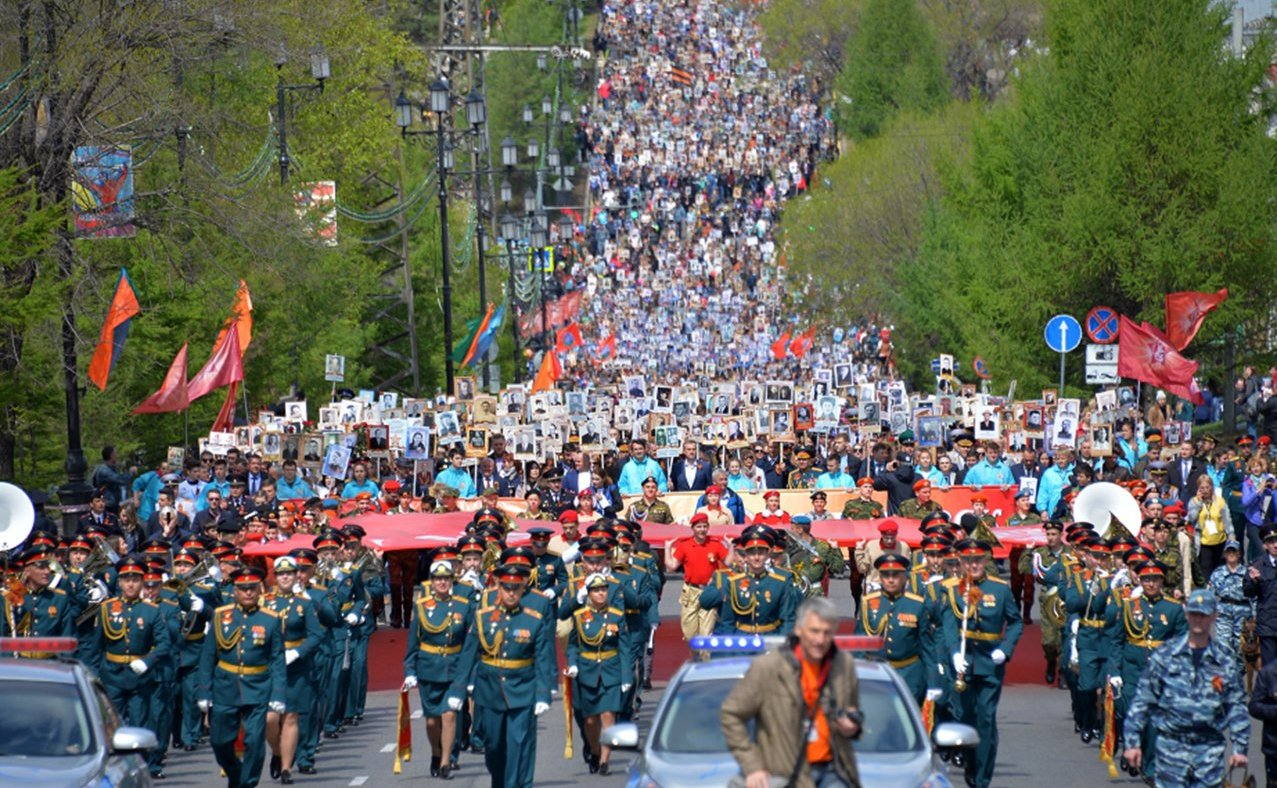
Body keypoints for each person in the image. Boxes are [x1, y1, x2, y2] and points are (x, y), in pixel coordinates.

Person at [720, 596, 862, 788]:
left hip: (832, 771)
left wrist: (851, 726)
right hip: (785, 774)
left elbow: (851, 712)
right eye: (814, 631)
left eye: (827, 633)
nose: (820, 640)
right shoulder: (769, 667)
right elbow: (731, 714)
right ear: (798, 630)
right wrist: (752, 765)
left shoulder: (844, 665)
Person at [1123, 589, 1250, 786]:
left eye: (1204, 615)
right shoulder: (1165, 655)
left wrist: (1239, 748)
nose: (1198, 620)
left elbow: (1236, 706)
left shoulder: (1223, 661)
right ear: (1186, 615)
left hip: (1208, 749)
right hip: (1171, 749)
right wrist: (1132, 743)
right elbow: (1143, 700)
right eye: (1194, 614)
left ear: (1214, 616)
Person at [446, 561, 555, 788]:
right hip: (490, 690)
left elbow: (543, 658)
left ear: (523, 589)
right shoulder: (482, 617)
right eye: (507, 588)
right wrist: (458, 689)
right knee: (494, 746)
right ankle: (500, 781)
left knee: (518, 743)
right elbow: (468, 655)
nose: (511, 593)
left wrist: (543, 694)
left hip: (523, 690)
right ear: (498, 587)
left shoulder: (533, 620)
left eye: (516, 588)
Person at [942, 539, 1022, 788]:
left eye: (977, 560)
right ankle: (971, 762)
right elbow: (949, 624)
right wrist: (955, 652)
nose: (973, 565)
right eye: (968, 561)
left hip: (990, 662)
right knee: (965, 717)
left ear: (985, 561)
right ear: (961, 563)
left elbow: (1016, 622)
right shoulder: (953, 589)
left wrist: (1005, 649)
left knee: (985, 718)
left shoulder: (999, 589)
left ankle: (982, 778)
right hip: (963, 665)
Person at [198, 567, 287, 788]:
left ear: (259, 590)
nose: (248, 592)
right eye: (243, 588)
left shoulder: (271, 619)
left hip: (257, 686)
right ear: (235, 590)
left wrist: (278, 694)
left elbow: (277, 659)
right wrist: (203, 691)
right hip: (225, 686)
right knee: (220, 741)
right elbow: (208, 656)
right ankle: (236, 774)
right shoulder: (221, 616)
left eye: (252, 588)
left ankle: (247, 783)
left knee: (254, 741)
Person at [402, 557, 472, 779]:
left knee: (450, 715)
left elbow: (471, 643)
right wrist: (410, 672)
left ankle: (445, 762)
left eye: (446, 578)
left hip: (455, 668)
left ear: (452, 580)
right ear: (431, 582)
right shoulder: (422, 607)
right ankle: (436, 751)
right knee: (432, 721)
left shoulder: (463, 605)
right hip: (429, 670)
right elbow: (413, 643)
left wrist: (470, 673)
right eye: (438, 579)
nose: (442, 582)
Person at [263, 556, 323, 785]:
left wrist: (297, 652)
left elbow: (316, 634)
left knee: (291, 716)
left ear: (297, 575)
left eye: (289, 573)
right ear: (275, 577)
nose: (285, 577)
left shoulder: (304, 603)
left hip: (297, 667)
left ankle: (287, 768)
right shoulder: (265, 601)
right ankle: (277, 753)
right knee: (270, 719)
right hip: (270, 666)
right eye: (280, 574)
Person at [566, 572, 630, 775]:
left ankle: (604, 761)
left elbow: (625, 648)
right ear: (589, 594)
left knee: (608, 716)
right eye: (596, 590)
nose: (601, 594)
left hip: (611, 672)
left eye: (603, 590)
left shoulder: (617, 616)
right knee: (590, 720)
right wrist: (573, 664)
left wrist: (627, 676)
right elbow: (573, 646)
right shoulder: (579, 616)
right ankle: (594, 750)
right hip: (587, 673)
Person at [667, 513, 731, 639]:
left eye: (704, 526)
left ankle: (704, 658)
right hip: (690, 592)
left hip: (709, 591)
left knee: (706, 634)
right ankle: (696, 657)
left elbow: (728, 563)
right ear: (693, 529)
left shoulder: (715, 544)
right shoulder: (684, 545)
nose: (702, 530)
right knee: (689, 634)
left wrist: (730, 546)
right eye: (699, 527)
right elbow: (671, 567)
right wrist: (667, 548)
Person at [1244, 523, 1277, 667]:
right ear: (1265, 545)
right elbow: (1248, 592)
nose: (1275, 545)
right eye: (1271, 542)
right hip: (1268, 624)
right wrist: (1253, 581)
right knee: (1269, 670)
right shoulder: (1257, 565)